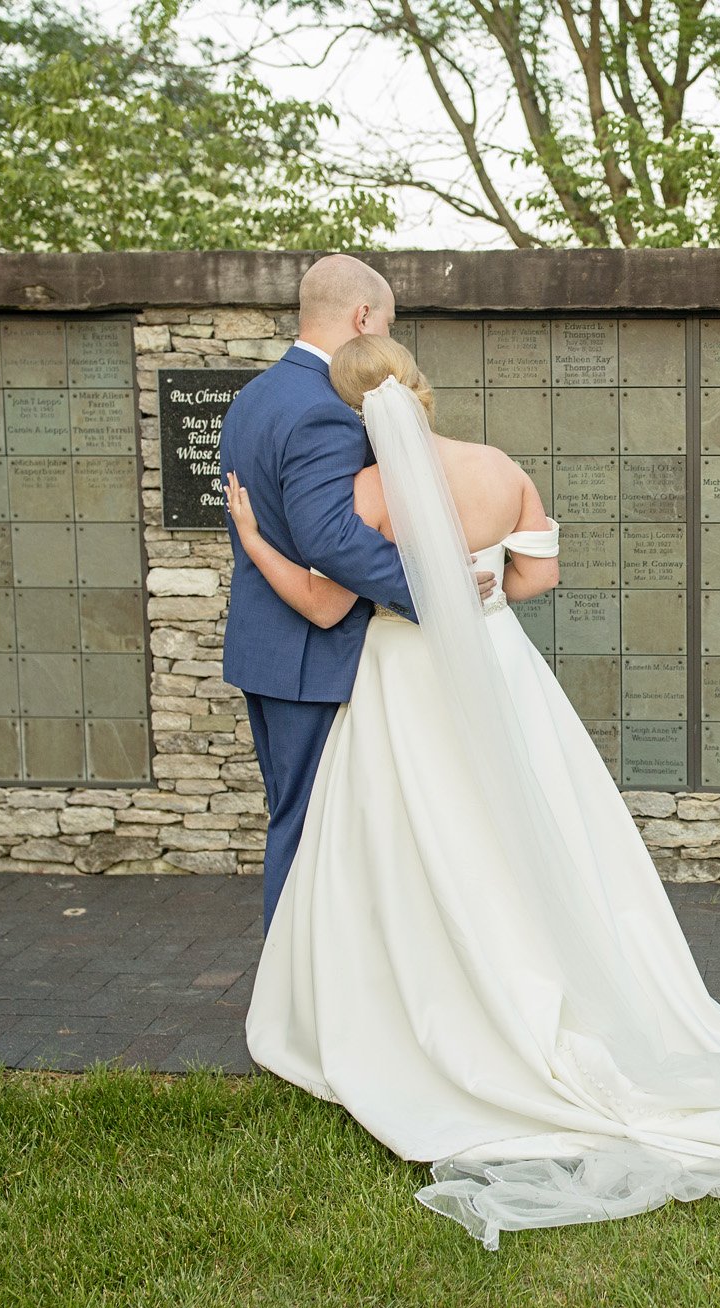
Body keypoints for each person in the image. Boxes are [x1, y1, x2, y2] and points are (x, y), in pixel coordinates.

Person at [231, 329, 720, 1250]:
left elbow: (326, 606)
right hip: (501, 667)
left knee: (418, 844)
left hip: (404, 680)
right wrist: (477, 593)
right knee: (533, 828)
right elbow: (540, 575)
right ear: (422, 390)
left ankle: (437, 1005)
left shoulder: (367, 493)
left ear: (359, 408)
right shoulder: (500, 468)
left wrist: (251, 534)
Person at [217, 254, 498, 935]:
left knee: (296, 815)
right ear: (362, 316)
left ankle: (301, 994)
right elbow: (331, 536)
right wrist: (439, 586)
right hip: (312, 656)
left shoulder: (253, 397)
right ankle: (293, 1004)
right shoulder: (325, 412)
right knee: (313, 829)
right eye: (389, 322)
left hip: (267, 647)